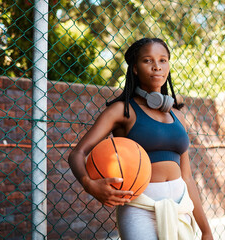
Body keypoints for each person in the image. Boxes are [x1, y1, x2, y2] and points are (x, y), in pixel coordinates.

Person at [68, 38, 214, 240]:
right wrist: (89, 185)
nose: (157, 67)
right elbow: (78, 153)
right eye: (148, 61)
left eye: (163, 60)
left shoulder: (177, 116)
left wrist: (206, 230)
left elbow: (187, 177)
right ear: (135, 68)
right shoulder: (122, 111)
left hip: (180, 207)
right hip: (140, 208)